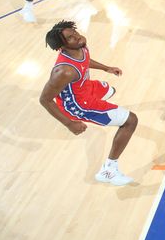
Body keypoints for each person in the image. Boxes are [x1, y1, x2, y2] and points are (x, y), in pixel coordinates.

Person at [40, 20, 138, 185]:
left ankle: (104, 114)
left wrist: (106, 68)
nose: (77, 37)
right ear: (62, 47)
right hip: (79, 105)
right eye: (71, 38)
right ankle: (109, 170)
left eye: (75, 32)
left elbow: (85, 61)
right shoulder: (64, 71)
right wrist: (69, 124)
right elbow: (45, 99)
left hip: (85, 87)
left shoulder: (80, 46)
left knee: (110, 90)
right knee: (131, 120)